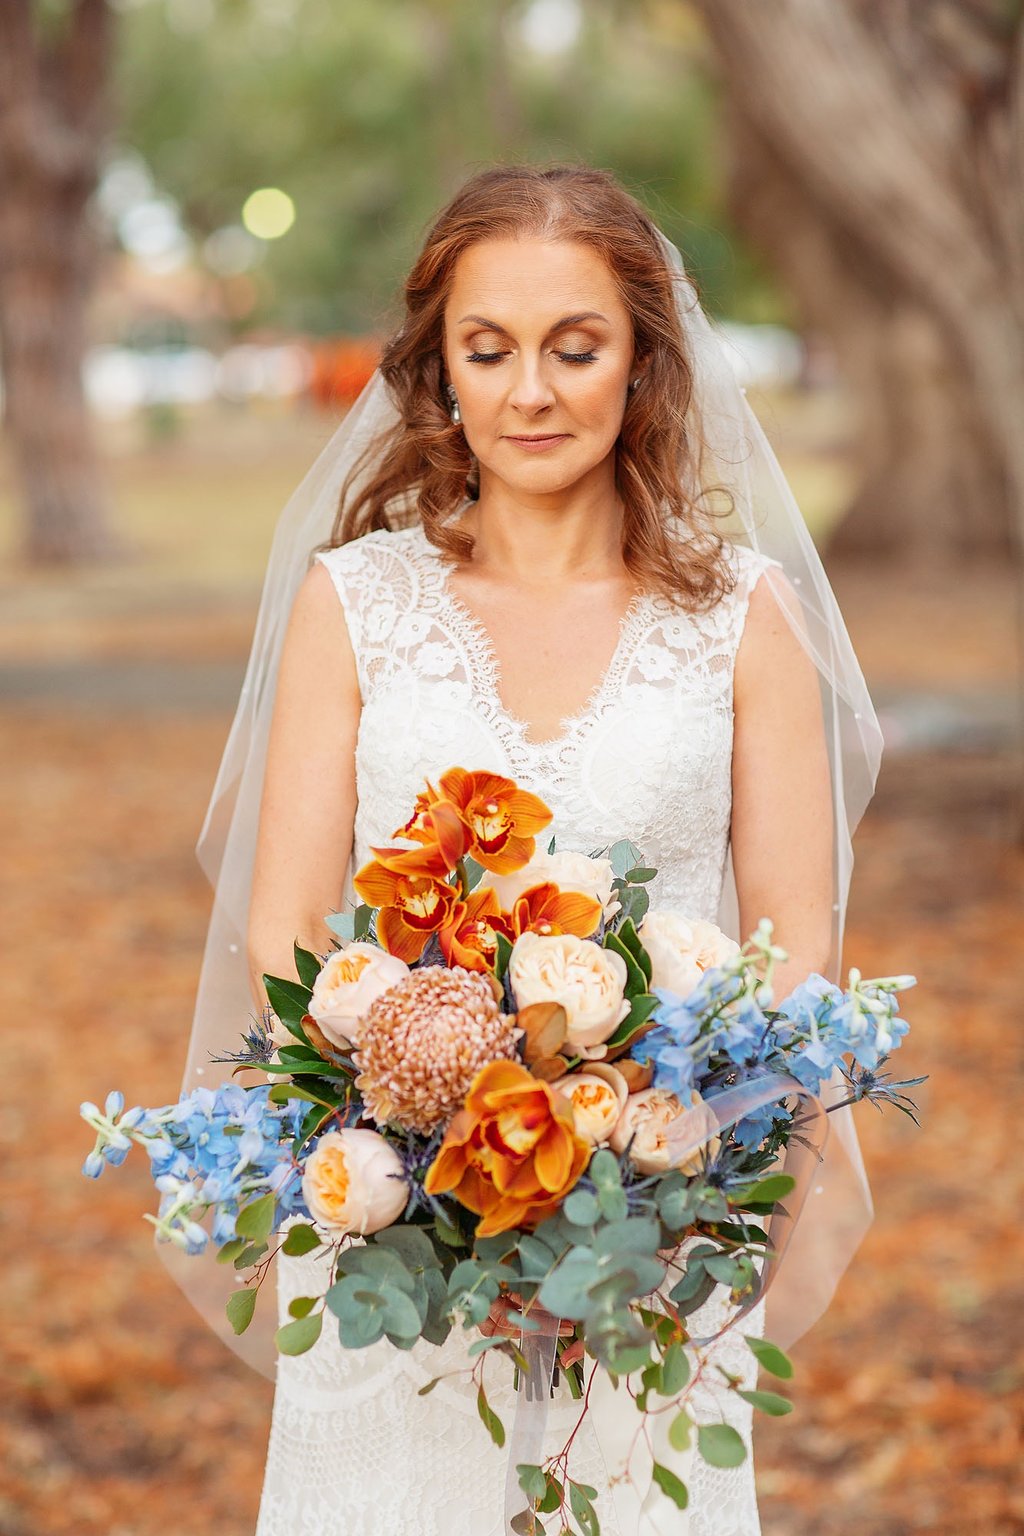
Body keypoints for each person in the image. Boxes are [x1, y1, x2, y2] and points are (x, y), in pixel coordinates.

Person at [168, 162, 883, 1535]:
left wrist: (662, 1160)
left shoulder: (747, 618)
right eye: (487, 351)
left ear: (644, 365)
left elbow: (797, 939)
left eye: (576, 347)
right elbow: (288, 929)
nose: (531, 393)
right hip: (396, 1213)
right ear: (437, 371)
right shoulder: (355, 602)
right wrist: (417, 1131)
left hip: (654, 1227)